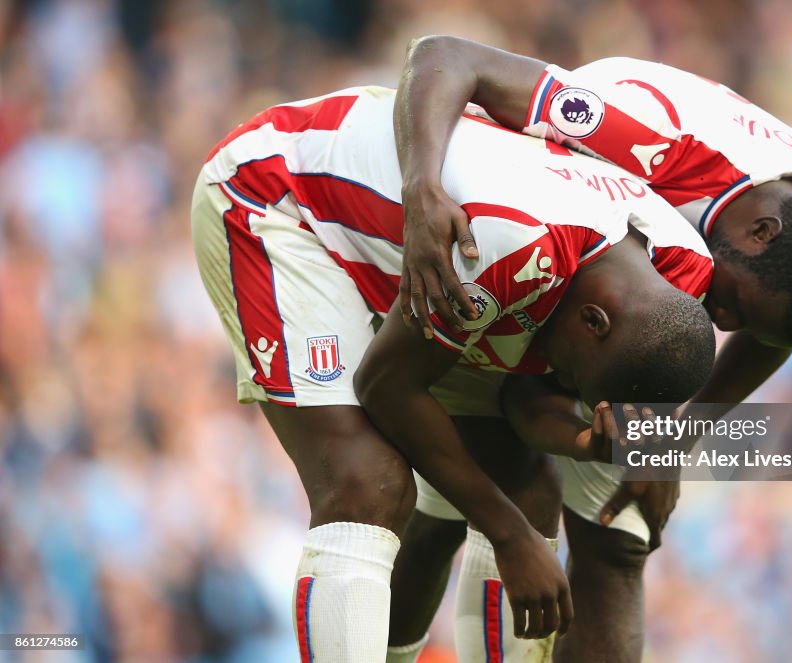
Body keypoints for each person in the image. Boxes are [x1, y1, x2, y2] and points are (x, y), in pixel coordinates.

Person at [385, 36, 792, 663]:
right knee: (485, 473)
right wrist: (420, 190)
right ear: (760, 233)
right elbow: (450, 57)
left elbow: (769, 336)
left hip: (638, 281)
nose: (718, 320)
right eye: (731, 310)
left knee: (622, 534)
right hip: (546, 219)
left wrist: (672, 438)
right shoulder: (645, 137)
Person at [191, 84, 717, 663]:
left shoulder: (681, 264)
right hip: (277, 201)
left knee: (526, 486)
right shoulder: (506, 246)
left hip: (416, 252)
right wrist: (510, 536)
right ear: (593, 322)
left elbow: (525, 394)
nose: (558, 373)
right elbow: (386, 385)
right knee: (367, 484)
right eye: (572, 371)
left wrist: (605, 442)